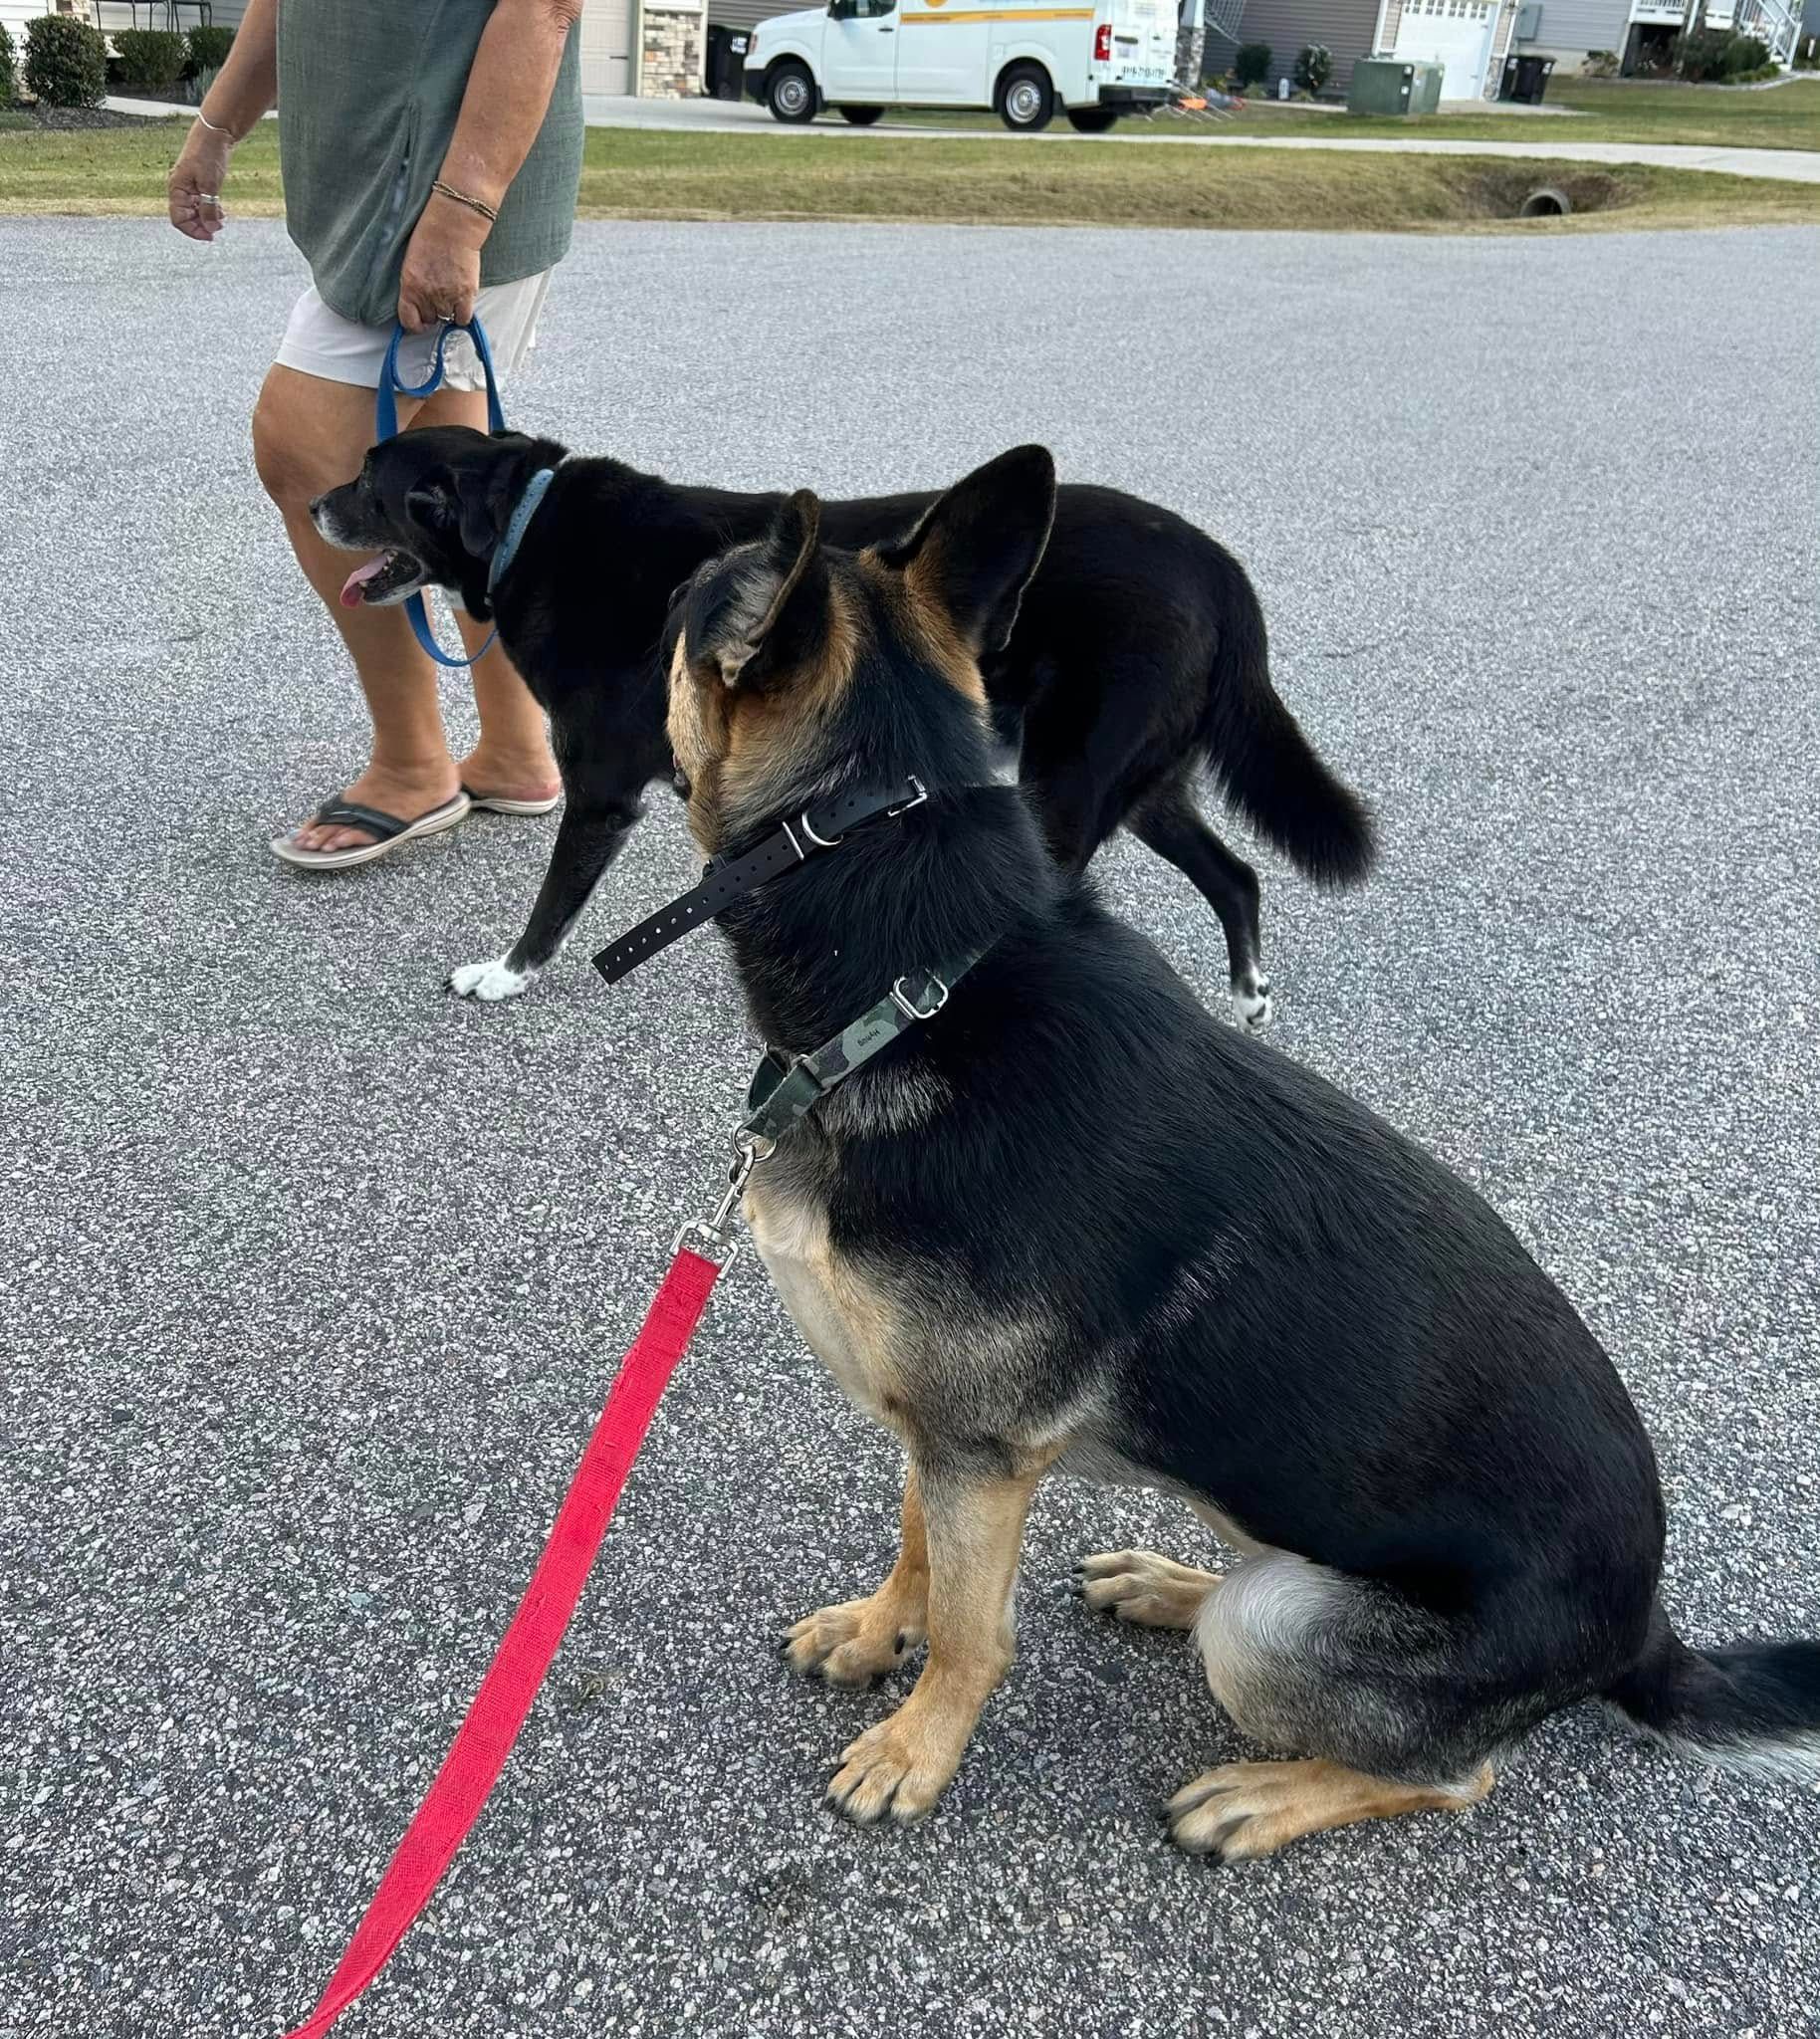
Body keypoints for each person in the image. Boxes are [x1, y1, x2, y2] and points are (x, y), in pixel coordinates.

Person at [167, 0, 584, 869]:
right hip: (381, 181)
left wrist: (462, 214)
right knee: (459, 475)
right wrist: (215, 126)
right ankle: (514, 749)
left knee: (299, 441)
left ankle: (413, 763)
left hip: (441, 178)